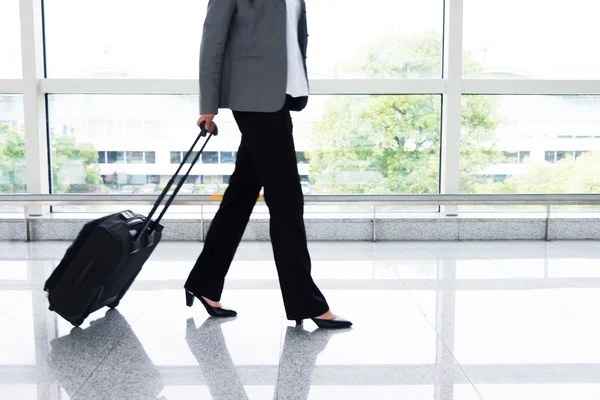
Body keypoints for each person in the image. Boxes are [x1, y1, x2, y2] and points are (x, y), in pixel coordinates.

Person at [184, 0, 352, 329]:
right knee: (287, 201)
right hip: (251, 97)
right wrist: (208, 105)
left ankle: (204, 282)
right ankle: (306, 301)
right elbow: (212, 40)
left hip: (280, 97)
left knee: (241, 195)